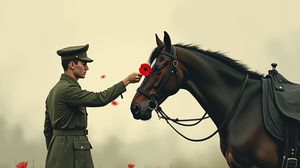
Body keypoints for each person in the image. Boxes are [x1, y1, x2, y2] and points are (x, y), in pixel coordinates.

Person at [43, 44, 142, 168]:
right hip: (72, 151)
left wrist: (56, 151)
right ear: (72, 65)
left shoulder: (54, 91)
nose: (87, 68)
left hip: (59, 151)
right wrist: (126, 81)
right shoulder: (67, 90)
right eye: (83, 64)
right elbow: (99, 99)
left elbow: (47, 130)